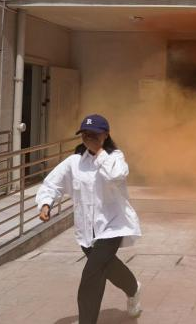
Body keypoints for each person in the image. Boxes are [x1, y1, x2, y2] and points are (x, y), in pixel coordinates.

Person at [36, 114, 142, 323]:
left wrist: (99, 152)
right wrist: (46, 203)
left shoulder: (115, 157)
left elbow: (116, 176)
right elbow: (52, 183)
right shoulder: (74, 162)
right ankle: (133, 289)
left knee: (91, 275)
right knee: (109, 268)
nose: (88, 138)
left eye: (93, 135)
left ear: (105, 135)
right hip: (86, 232)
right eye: (84, 134)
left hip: (111, 227)